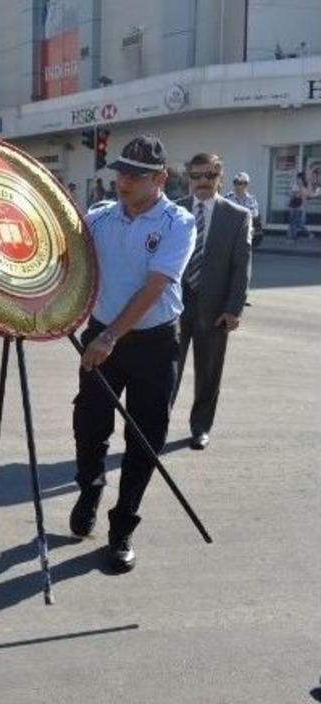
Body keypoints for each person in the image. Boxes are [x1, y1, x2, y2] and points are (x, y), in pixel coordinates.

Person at [70, 135, 196, 573]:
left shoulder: (179, 222)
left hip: (153, 342)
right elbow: (69, 262)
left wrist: (111, 339)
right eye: (120, 172)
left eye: (135, 175)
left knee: (145, 438)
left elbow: (155, 287)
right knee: (89, 424)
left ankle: (122, 526)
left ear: (159, 179)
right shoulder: (100, 218)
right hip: (102, 332)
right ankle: (90, 485)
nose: (122, 181)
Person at [172, 153, 251, 450]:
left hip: (215, 310)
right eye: (196, 176)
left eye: (209, 175)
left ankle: (200, 427)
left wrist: (233, 309)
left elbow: (241, 267)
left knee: (208, 374)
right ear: (188, 178)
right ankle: (156, 427)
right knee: (166, 372)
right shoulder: (173, 212)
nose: (202, 182)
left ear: (220, 176)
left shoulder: (236, 216)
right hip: (174, 308)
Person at [225, 171, 263, 248]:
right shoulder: (227, 198)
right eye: (235, 183)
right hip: (231, 234)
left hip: (246, 234)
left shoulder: (252, 200)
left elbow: (254, 217)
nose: (237, 186)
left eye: (239, 183)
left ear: (246, 185)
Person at [287, 171, 315, 241]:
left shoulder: (304, 188)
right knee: (297, 223)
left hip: (299, 207)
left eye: (300, 179)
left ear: (302, 180)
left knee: (293, 223)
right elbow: (291, 195)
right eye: (297, 179)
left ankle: (292, 238)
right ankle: (308, 234)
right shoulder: (294, 186)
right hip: (292, 206)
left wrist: (303, 208)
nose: (298, 180)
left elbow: (305, 198)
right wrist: (293, 195)